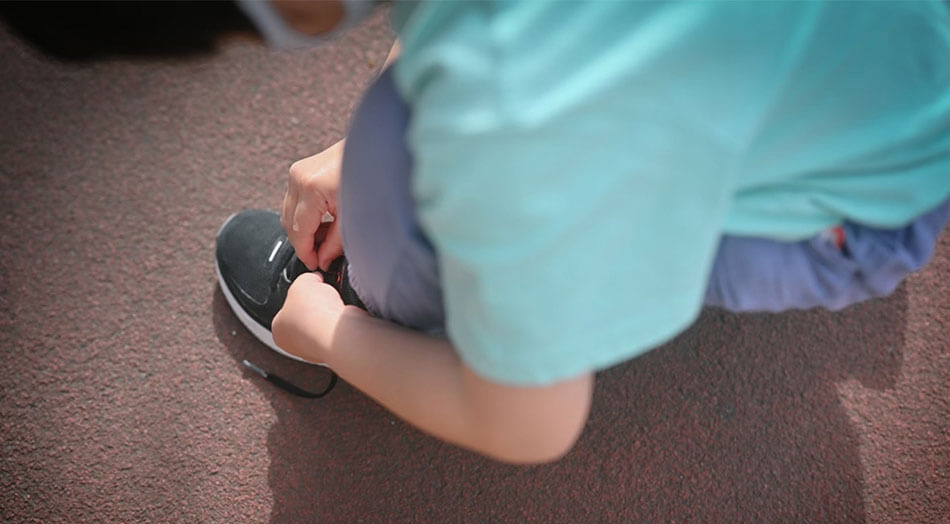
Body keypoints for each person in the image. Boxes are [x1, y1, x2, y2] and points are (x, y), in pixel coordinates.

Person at [9, 1, 947, 464]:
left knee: (437, 198)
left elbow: (533, 426)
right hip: (902, 85)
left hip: (851, 223)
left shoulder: (520, 143)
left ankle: (400, 309)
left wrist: (322, 329)